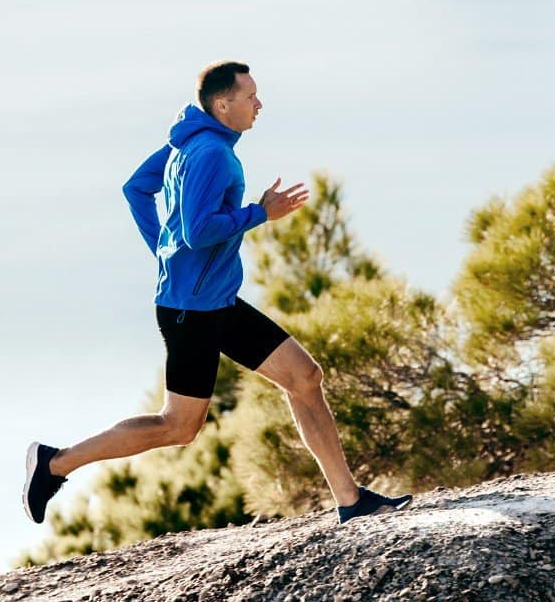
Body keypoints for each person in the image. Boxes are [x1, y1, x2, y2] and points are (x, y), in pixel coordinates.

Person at [22, 61, 412, 527]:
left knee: (305, 378)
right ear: (222, 104)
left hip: (214, 300)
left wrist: (164, 255)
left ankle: (350, 501)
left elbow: (137, 189)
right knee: (178, 426)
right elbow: (197, 230)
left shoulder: (188, 141)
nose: (259, 105)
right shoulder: (210, 153)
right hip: (192, 312)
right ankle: (53, 464)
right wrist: (259, 214)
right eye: (250, 97)